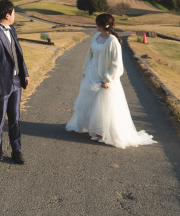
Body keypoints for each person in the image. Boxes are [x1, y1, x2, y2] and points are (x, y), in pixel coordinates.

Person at [66, 13, 156, 148]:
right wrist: (86, 70)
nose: (95, 25)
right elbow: (90, 54)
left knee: (103, 104)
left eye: (97, 23)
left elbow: (117, 64)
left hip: (104, 75)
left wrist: (108, 79)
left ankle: (102, 132)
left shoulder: (113, 41)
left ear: (103, 25)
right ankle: (94, 128)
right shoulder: (96, 36)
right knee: (90, 101)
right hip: (92, 71)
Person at [0, 0, 30, 164]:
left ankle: (17, 150)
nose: (15, 15)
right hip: (0, 84)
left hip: (16, 81)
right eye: (14, 12)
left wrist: (25, 73)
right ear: (7, 15)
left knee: (15, 118)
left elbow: (18, 53)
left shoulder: (13, 30)